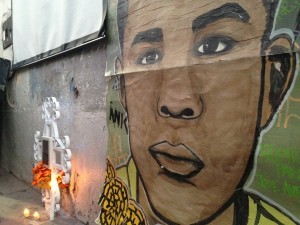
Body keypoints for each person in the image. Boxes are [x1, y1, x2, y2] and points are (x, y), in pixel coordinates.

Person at [97, 0, 299, 224]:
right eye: (149, 57)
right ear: (122, 86)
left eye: (214, 46)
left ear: (273, 81)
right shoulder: (113, 199)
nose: (175, 102)